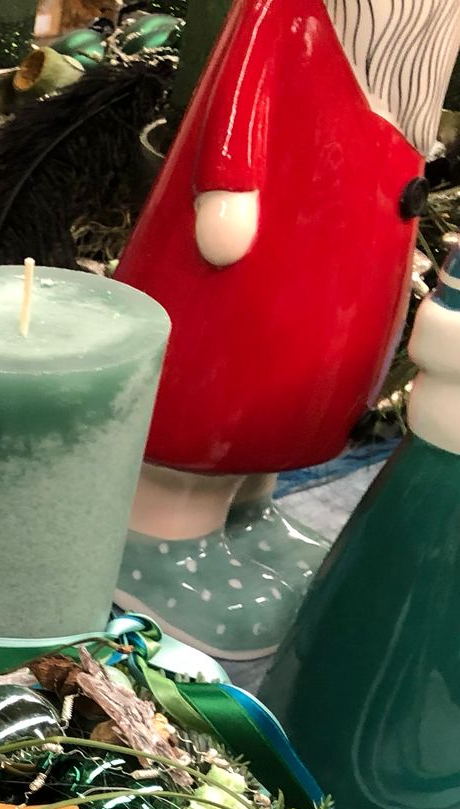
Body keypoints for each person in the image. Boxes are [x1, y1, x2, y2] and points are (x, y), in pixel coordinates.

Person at [113, 0, 460, 656]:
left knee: (298, 378)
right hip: (260, 233)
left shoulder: (411, 44)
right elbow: (245, 80)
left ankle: (249, 512)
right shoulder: (293, 12)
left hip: (346, 234)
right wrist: (229, 182)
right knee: (225, 376)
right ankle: (160, 534)